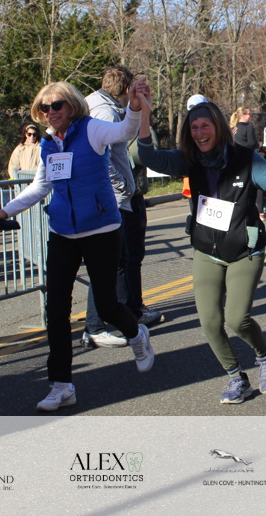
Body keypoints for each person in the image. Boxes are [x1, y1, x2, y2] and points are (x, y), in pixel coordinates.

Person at [136, 98, 266, 404]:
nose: (199, 133)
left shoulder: (245, 159)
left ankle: (265, 354)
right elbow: (148, 156)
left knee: (236, 319)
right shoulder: (188, 158)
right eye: (194, 128)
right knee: (209, 322)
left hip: (245, 251)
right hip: (207, 251)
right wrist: (143, 113)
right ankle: (236, 378)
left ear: (218, 127)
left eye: (205, 126)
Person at [0, 80, 155, 412]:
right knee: (56, 311)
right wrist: (1, 212)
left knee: (106, 305)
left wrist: (135, 107)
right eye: (44, 107)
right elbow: (40, 187)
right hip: (63, 233)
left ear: (72, 105)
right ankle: (61, 385)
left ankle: (136, 336)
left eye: (56, 105)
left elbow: (124, 131)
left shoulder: (91, 130)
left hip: (102, 229)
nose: (50, 112)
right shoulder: (49, 143)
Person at [82, 66, 161, 351]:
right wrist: (122, 188)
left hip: (110, 199)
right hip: (110, 201)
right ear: (126, 89)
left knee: (117, 261)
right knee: (108, 263)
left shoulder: (101, 106)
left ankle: (123, 316)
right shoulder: (105, 112)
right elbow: (102, 161)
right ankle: (94, 327)